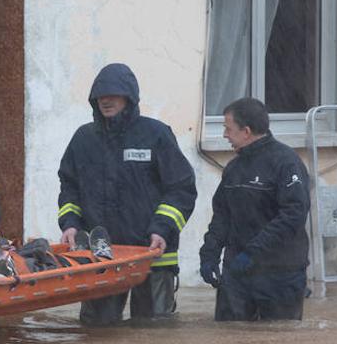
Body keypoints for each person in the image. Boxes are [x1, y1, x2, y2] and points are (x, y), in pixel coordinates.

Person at [57, 62, 197, 325]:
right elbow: (69, 187)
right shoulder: (83, 139)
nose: (105, 100)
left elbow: (181, 189)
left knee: (153, 337)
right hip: (102, 258)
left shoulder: (156, 135)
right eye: (100, 95)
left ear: (129, 98)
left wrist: (161, 229)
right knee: (97, 333)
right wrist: (70, 224)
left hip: (153, 257)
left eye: (113, 94)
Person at [198, 97, 311, 321]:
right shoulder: (234, 168)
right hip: (237, 274)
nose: (224, 135)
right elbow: (222, 216)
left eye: (227, 129)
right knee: (230, 342)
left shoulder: (286, 163)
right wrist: (208, 254)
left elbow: (293, 215)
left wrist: (253, 252)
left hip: (280, 274)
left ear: (246, 131)